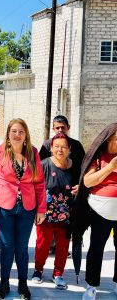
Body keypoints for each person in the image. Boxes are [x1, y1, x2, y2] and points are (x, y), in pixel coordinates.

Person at [0, 118, 46, 300]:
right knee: (6, 246)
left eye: (21, 131)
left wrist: (41, 209)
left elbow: (40, 183)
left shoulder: (33, 153)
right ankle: (3, 284)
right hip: (4, 207)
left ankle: (23, 284)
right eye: (14, 131)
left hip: (27, 208)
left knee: (21, 248)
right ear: (8, 133)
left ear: (26, 134)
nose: (17, 135)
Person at [74, 123, 117, 300]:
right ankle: (91, 286)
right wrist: (110, 167)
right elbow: (88, 182)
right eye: (115, 139)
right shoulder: (99, 157)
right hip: (101, 211)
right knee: (96, 248)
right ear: (107, 140)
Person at [31, 133, 79, 290]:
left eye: (64, 147)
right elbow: (35, 189)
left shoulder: (75, 167)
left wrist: (80, 189)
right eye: (57, 146)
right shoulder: (44, 165)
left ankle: (58, 274)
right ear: (51, 148)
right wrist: (37, 211)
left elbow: (82, 185)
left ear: (69, 149)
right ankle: (38, 270)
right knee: (42, 245)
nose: (60, 150)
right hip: (45, 215)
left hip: (67, 216)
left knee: (63, 247)